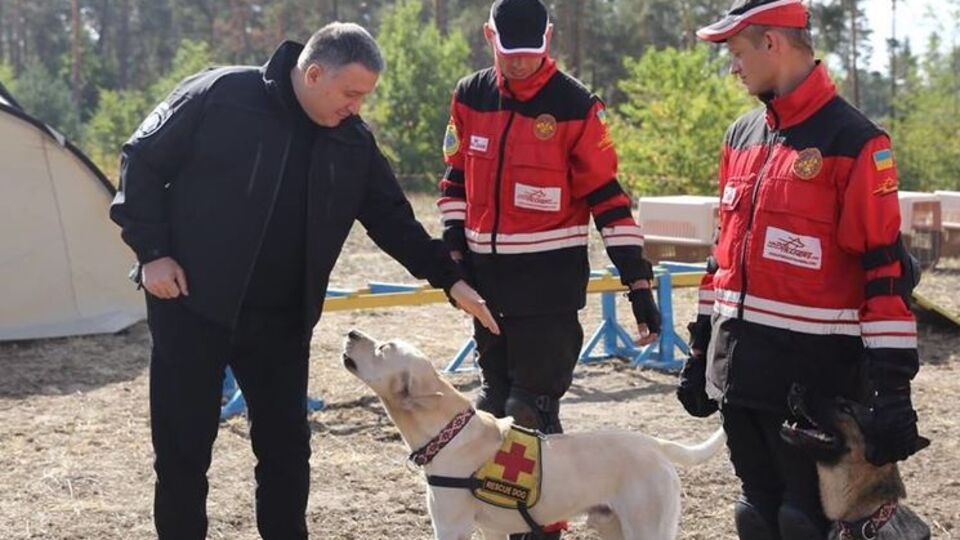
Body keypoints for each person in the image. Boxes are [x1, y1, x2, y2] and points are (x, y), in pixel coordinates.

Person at [110, 22, 499, 540]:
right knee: (183, 453)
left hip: (280, 320)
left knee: (287, 453)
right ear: (314, 74)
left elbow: (393, 221)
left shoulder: (353, 141)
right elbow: (141, 159)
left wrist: (450, 280)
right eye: (351, 93)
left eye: (364, 97)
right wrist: (153, 253)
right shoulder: (220, 95)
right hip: (190, 305)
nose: (357, 106)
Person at [678, 1, 927, 538]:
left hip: (810, 382)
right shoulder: (740, 137)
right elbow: (721, 257)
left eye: (738, 52)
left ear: (774, 44)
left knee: (801, 522)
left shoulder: (856, 141)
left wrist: (892, 391)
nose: (732, 67)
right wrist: (701, 347)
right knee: (754, 514)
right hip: (739, 373)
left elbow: (884, 275)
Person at [437, 1, 660, 537]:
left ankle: (541, 529)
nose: (519, 64)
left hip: (548, 297)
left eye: (531, 53)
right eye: (508, 53)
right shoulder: (470, 95)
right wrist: (453, 254)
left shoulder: (576, 106)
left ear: (550, 38)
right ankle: (514, 526)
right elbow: (454, 182)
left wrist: (638, 283)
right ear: (489, 35)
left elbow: (609, 199)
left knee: (528, 417)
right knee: (492, 415)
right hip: (488, 295)